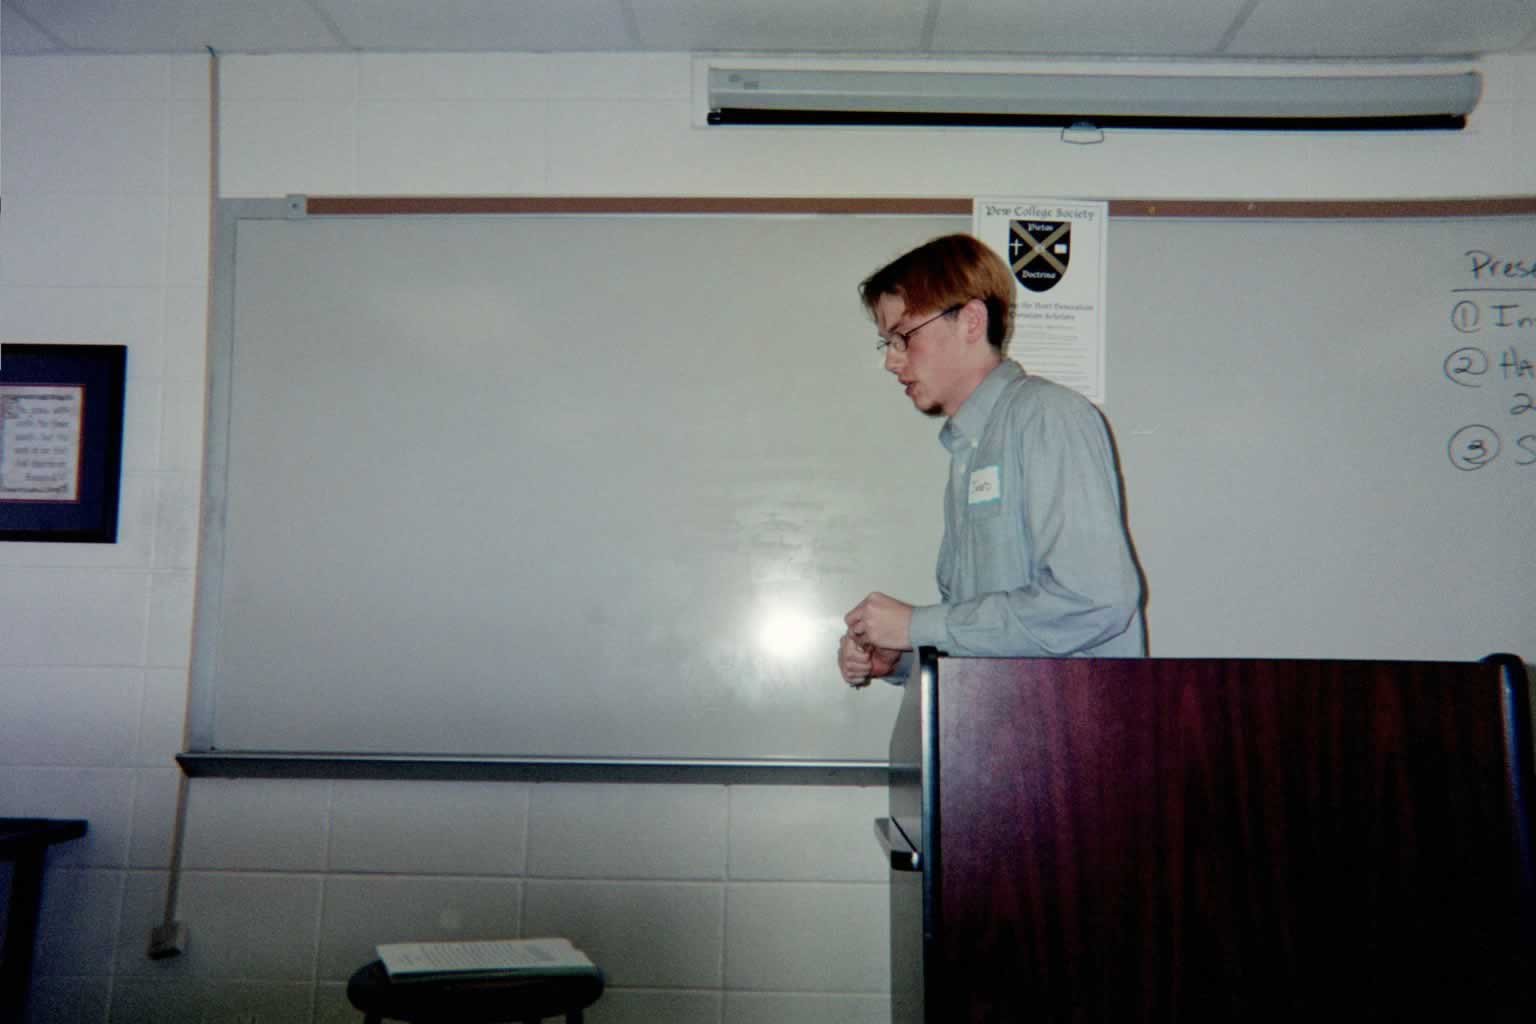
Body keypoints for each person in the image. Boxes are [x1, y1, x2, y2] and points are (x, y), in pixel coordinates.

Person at [838, 233, 1145, 687]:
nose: (891, 361)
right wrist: (899, 657)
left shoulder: (1046, 416)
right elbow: (985, 637)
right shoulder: (969, 450)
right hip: (1008, 734)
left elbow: (1095, 601)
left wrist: (916, 626)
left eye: (902, 336)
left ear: (971, 321)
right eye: (887, 344)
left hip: (1076, 739)